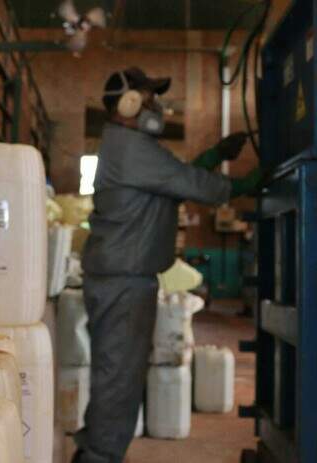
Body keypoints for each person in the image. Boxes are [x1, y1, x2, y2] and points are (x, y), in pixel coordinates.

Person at [72, 67, 261, 463]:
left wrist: (214, 156)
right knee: (118, 377)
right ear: (128, 104)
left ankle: (95, 450)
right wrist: (251, 182)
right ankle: (98, 456)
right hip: (123, 280)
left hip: (122, 277)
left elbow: (175, 180)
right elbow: (193, 185)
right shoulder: (130, 147)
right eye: (149, 98)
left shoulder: (128, 146)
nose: (156, 107)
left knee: (115, 372)